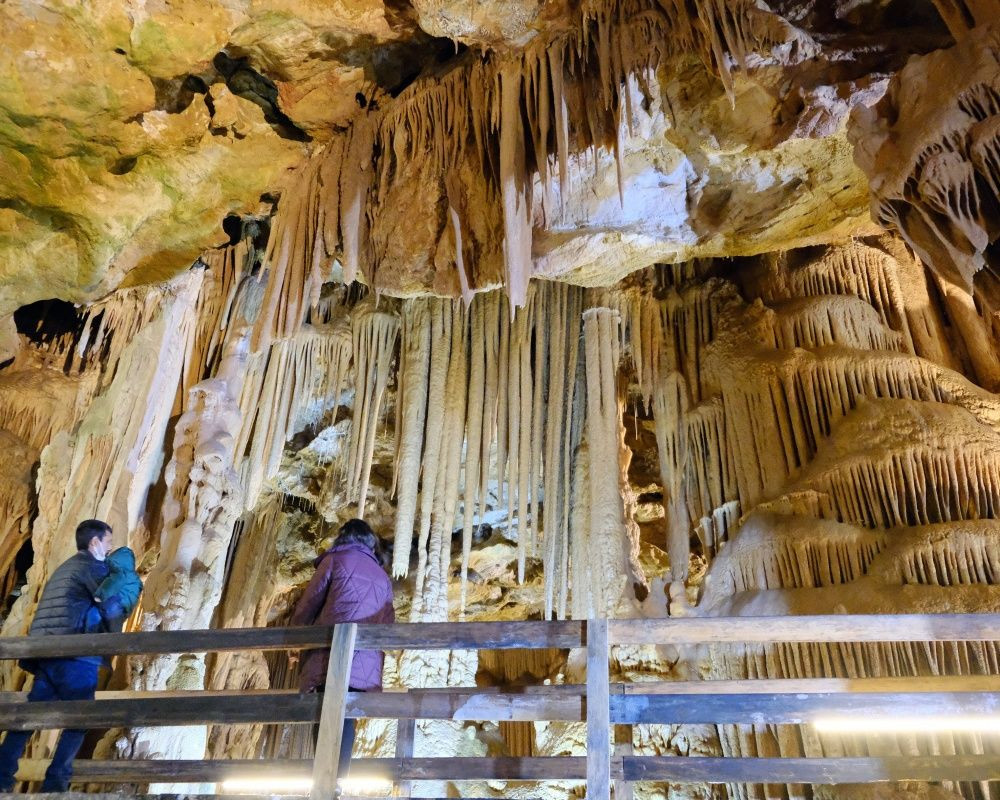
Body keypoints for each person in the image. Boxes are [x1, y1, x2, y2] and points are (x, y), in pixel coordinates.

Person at [0, 520, 114, 793]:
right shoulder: (93, 568)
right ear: (94, 542)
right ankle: (56, 783)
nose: (111, 548)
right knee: (80, 720)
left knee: (31, 718)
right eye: (108, 542)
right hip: (74, 654)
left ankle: (2, 776)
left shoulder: (67, 567)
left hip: (47, 653)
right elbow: (110, 604)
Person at [290, 519, 394, 790]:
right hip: (365, 663)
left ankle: (323, 779)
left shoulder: (335, 561)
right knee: (347, 715)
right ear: (371, 543)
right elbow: (388, 627)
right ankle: (338, 780)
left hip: (331, 654)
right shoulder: (383, 578)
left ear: (343, 537)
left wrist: (294, 639)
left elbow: (308, 604)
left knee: (325, 709)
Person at [84, 547, 142, 633]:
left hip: (115, 605)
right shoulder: (136, 580)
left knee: (94, 617)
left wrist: (99, 596)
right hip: (125, 608)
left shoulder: (120, 572)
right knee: (113, 629)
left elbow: (114, 582)